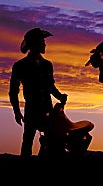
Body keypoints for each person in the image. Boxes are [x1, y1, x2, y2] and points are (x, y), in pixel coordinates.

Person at [9, 27, 68, 158]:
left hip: (47, 107)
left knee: (52, 142)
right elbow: (13, 91)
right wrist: (17, 111)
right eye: (42, 41)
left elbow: (50, 86)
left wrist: (60, 96)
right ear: (35, 44)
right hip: (31, 110)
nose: (45, 44)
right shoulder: (20, 65)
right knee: (27, 143)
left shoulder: (47, 65)